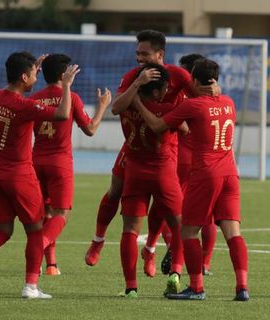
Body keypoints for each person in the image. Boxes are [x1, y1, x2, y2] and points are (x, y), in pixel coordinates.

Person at [85, 30, 218, 284]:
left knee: (165, 205)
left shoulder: (178, 76)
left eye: (144, 53)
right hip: (134, 148)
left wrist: (214, 89)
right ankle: (98, 241)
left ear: (160, 55)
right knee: (115, 191)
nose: (139, 58)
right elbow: (117, 108)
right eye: (137, 53)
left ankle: (151, 250)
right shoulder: (132, 76)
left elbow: (200, 96)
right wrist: (138, 82)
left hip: (166, 149)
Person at [0, 51, 79, 299]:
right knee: (36, 231)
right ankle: (31, 286)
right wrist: (66, 86)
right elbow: (62, 115)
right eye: (34, 72)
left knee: (2, 230)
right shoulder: (25, 106)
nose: (38, 74)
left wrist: (31, 67)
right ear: (24, 76)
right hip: (20, 176)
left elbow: (17, 85)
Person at [132, 58, 249, 301]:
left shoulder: (193, 106)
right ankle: (242, 288)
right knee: (233, 232)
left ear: (194, 80)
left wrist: (137, 103)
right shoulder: (229, 102)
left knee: (187, 231)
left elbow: (156, 126)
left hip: (206, 174)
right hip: (231, 174)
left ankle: (196, 288)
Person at [30, 54, 111, 276]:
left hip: (36, 161)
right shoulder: (71, 97)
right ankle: (39, 248)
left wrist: (36, 70)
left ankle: (52, 265)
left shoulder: (34, 97)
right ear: (63, 74)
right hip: (60, 163)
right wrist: (103, 106)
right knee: (61, 214)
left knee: (45, 213)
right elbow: (91, 129)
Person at [117, 63, 186, 298]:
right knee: (179, 225)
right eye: (165, 88)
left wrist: (135, 92)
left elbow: (116, 107)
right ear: (156, 92)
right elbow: (184, 128)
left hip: (135, 171)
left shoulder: (126, 105)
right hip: (163, 171)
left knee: (130, 230)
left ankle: (131, 288)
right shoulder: (165, 108)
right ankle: (176, 273)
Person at [160, 53, 219, 276]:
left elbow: (171, 125)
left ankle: (173, 250)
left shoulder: (181, 97)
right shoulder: (218, 100)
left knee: (172, 211)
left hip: (180, 158)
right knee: (208, 216)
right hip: (209, 160)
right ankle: (205, 263)